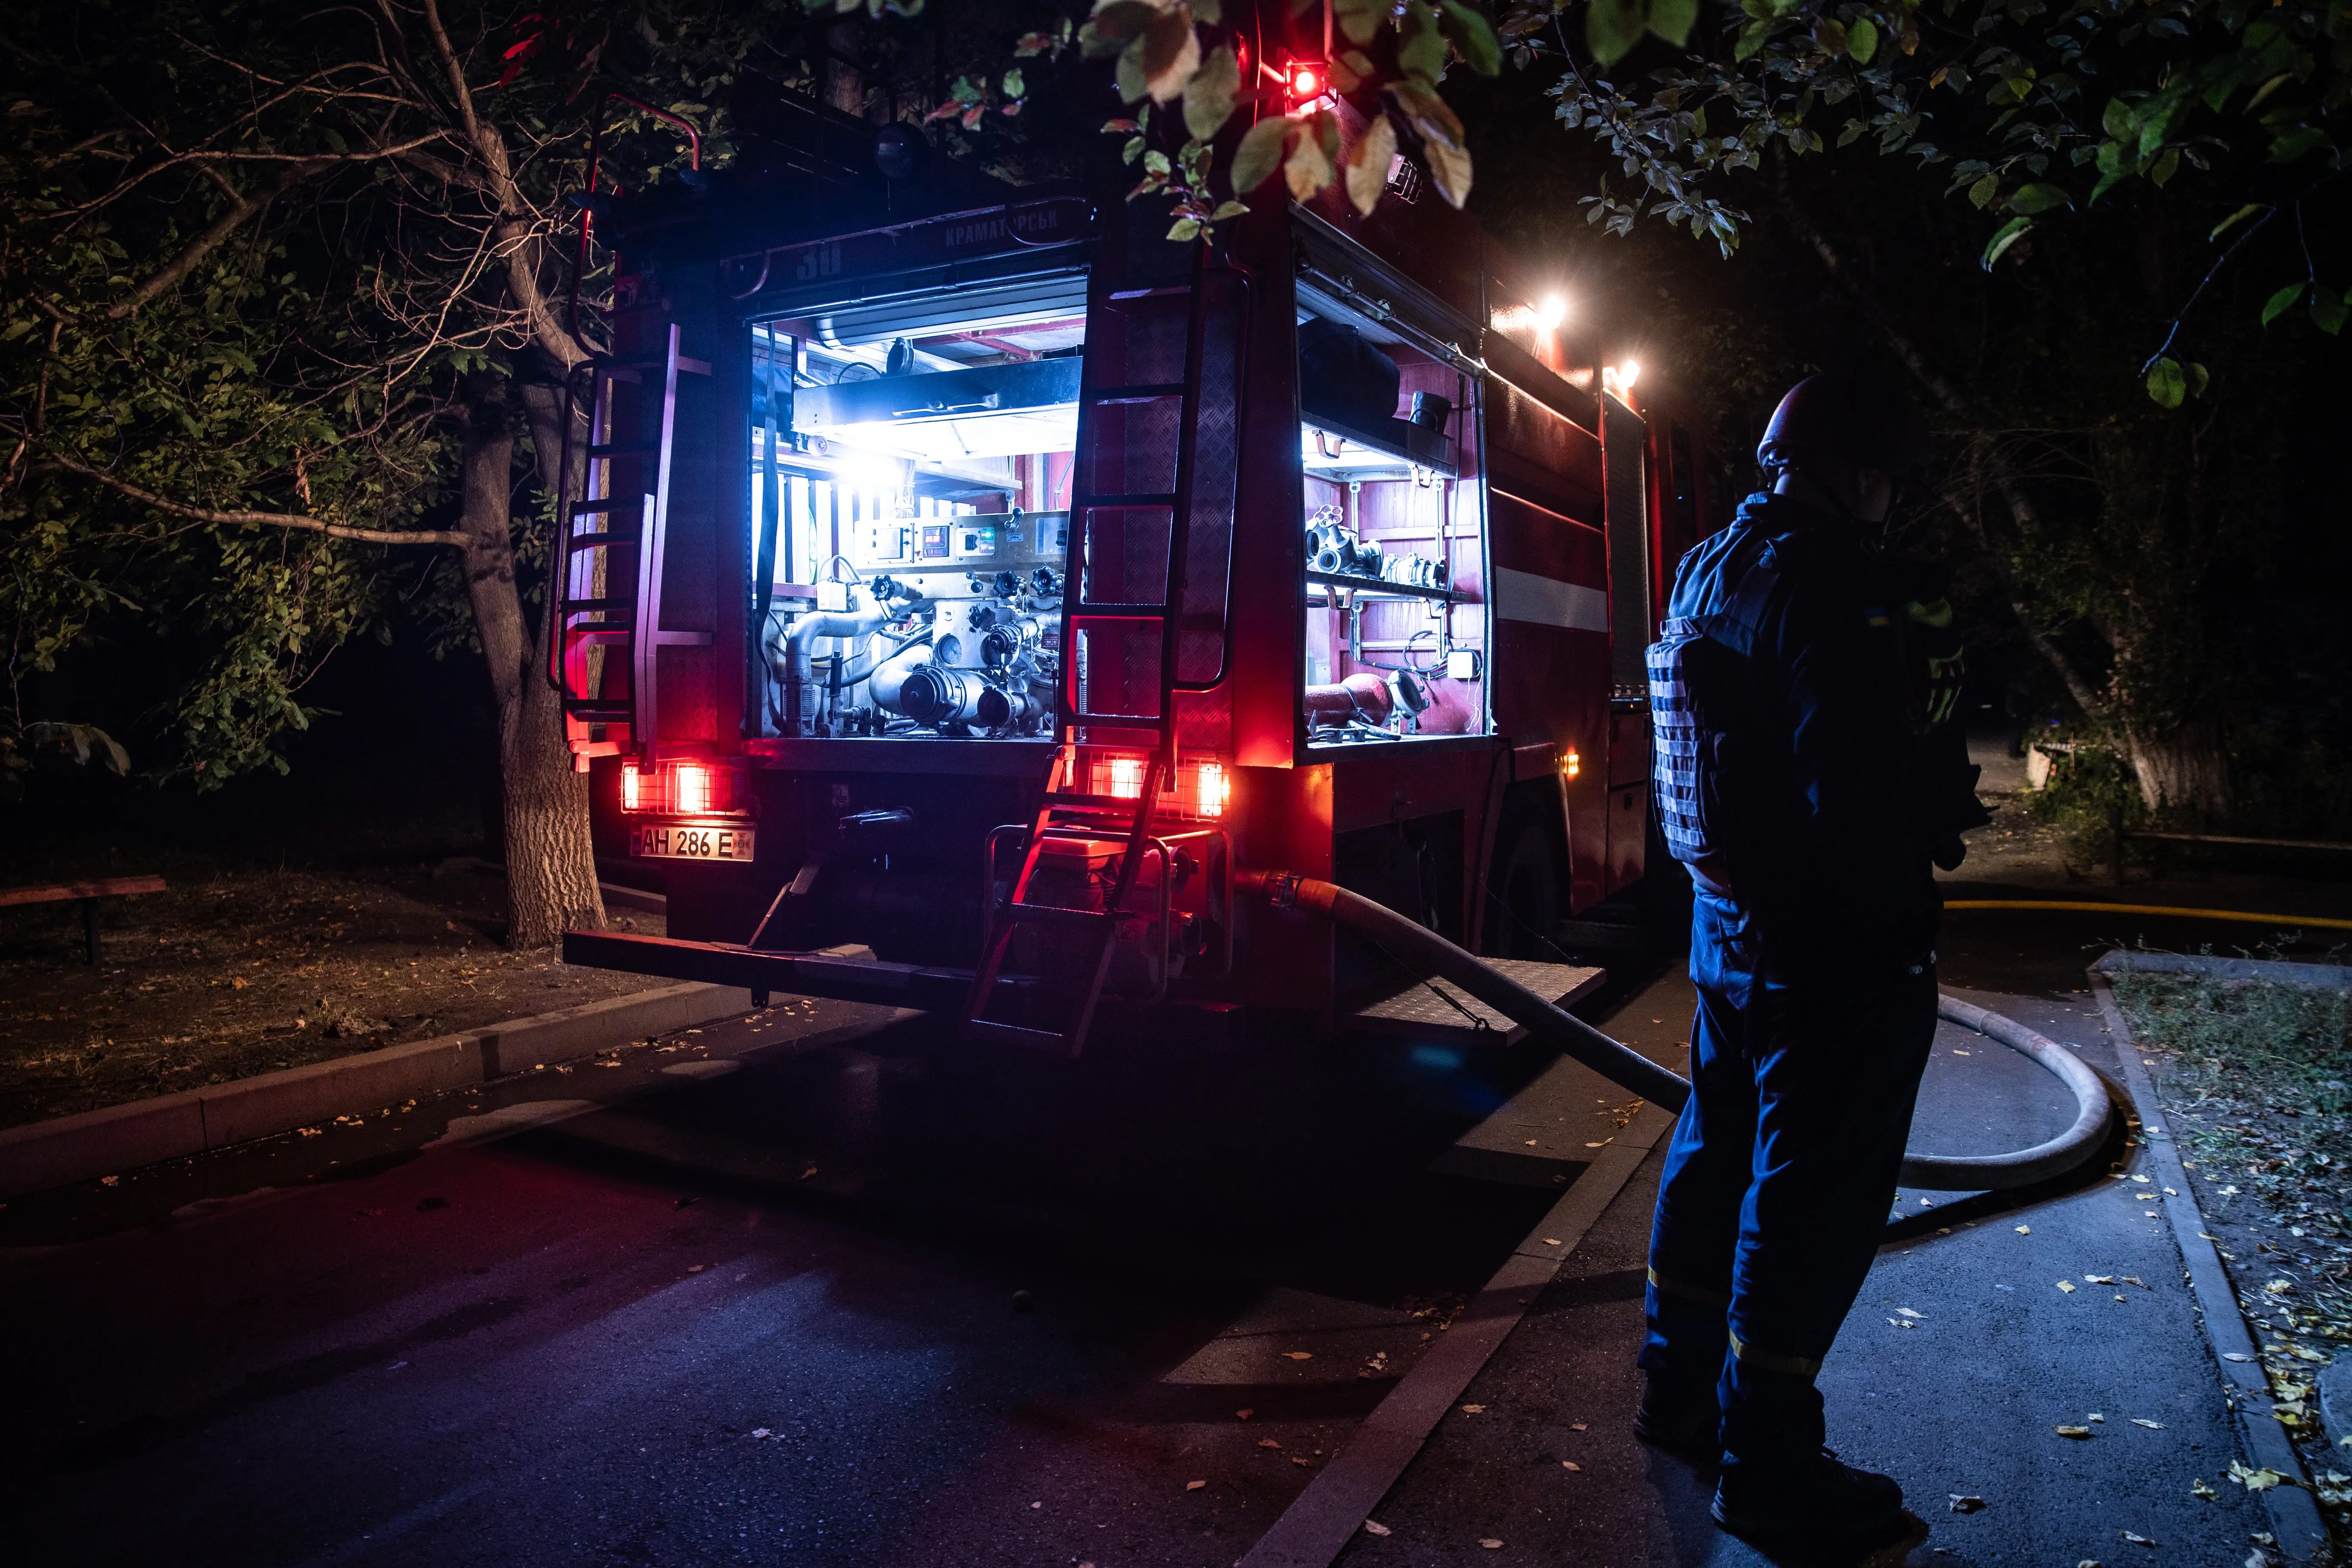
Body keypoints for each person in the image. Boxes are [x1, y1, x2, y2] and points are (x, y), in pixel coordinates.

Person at [1637, 374, 1988, 1551]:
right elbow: (1851, 787)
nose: (1890, 500)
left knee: (1716, 1153)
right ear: (1848, 470)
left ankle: (1676, 1392)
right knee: (1810, 1201)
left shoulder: (1706, 567)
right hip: (1832, 945)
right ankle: (1770, 1467)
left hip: (1729, 933)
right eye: (1884, 476)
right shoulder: (1828, 580)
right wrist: (1932, 795)